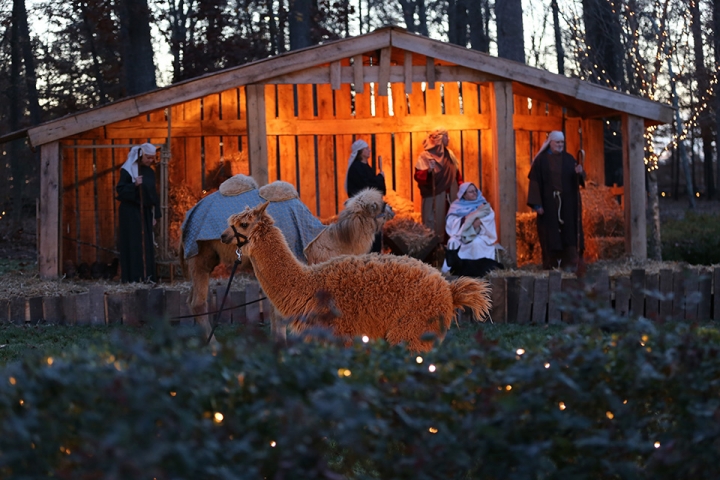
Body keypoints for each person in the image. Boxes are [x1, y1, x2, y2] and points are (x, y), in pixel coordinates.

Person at [527, 130, 585, 270]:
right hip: (549, 203)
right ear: (550, 143)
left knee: (569, 232)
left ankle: (570, 263)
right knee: (550, 232)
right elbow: (534, 182)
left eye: (562, 142)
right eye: (557, 142)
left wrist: (580, 172)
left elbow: (578, 179)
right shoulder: (541, 161)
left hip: (567, 203)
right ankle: (551, 264)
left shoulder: (569, 159)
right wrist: (537, 204)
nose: (560, 145)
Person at [116, 142, 161, 282]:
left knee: (146, 245)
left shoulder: (150, 172)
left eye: (152, 158)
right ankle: (133, 278)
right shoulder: (128, 170)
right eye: (148, 157)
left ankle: (147, 277)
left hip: (145, 213)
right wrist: (134, 185)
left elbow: (153, 193)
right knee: (134, 244)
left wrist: (155, 213)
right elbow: (121, 191)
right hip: (130, 213)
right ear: (141, 156)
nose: (151, 161)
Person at [442, 182, 503, 277]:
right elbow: (451, 222)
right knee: (453, 242)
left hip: (479, 234)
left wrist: (480, 221)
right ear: (464, 194)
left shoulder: (483, 204)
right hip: (461, 235)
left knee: (477, 243)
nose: (475, 193)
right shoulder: (456, 206)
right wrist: (466, 221)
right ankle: (452, 271)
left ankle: (480, 272)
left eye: (475, 191)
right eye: (471, 192)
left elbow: (490, 216)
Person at [414, 129, 462, 240]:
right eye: (446, 136)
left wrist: (461, 188)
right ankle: (434, 247)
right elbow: (418, 176)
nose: (448, 139)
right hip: (434, 195)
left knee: (451, 220)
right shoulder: (424, 156)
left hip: (451, 195)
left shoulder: (449, 154)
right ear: (439, 138)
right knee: (433, 220)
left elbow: (457, 174)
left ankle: (450, 245)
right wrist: (429, 171)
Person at [345, 139, 386, 252]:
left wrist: (379, 178)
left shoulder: (366, 167)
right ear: (360, 152)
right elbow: (366, 185)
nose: (369, 150)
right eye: (366, 149)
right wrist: (380, 178)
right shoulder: (356, 168)